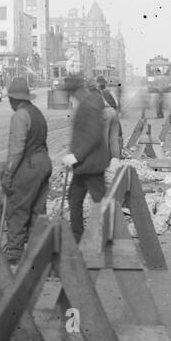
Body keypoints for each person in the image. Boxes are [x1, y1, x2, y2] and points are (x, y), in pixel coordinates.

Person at [0, 78, 53, 262]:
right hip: (43, 162)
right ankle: (37, 250)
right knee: (38, 209)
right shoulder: (36, 112)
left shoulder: (20, 115)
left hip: (29, 164)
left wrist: (8, 174)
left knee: (18, 208)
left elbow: (16, 149)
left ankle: (14, 252)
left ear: (13, 99)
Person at [62, 75, 111, 245]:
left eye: (70, 92)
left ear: (75, 91)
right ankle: (78, 237)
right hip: (85, 165)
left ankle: (107, 236)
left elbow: (92, 134)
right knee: (74, 198)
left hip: (91, 164)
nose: (70, 96)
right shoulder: (87, 102)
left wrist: (76, 156)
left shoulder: (87, 106)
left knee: (100, 200)